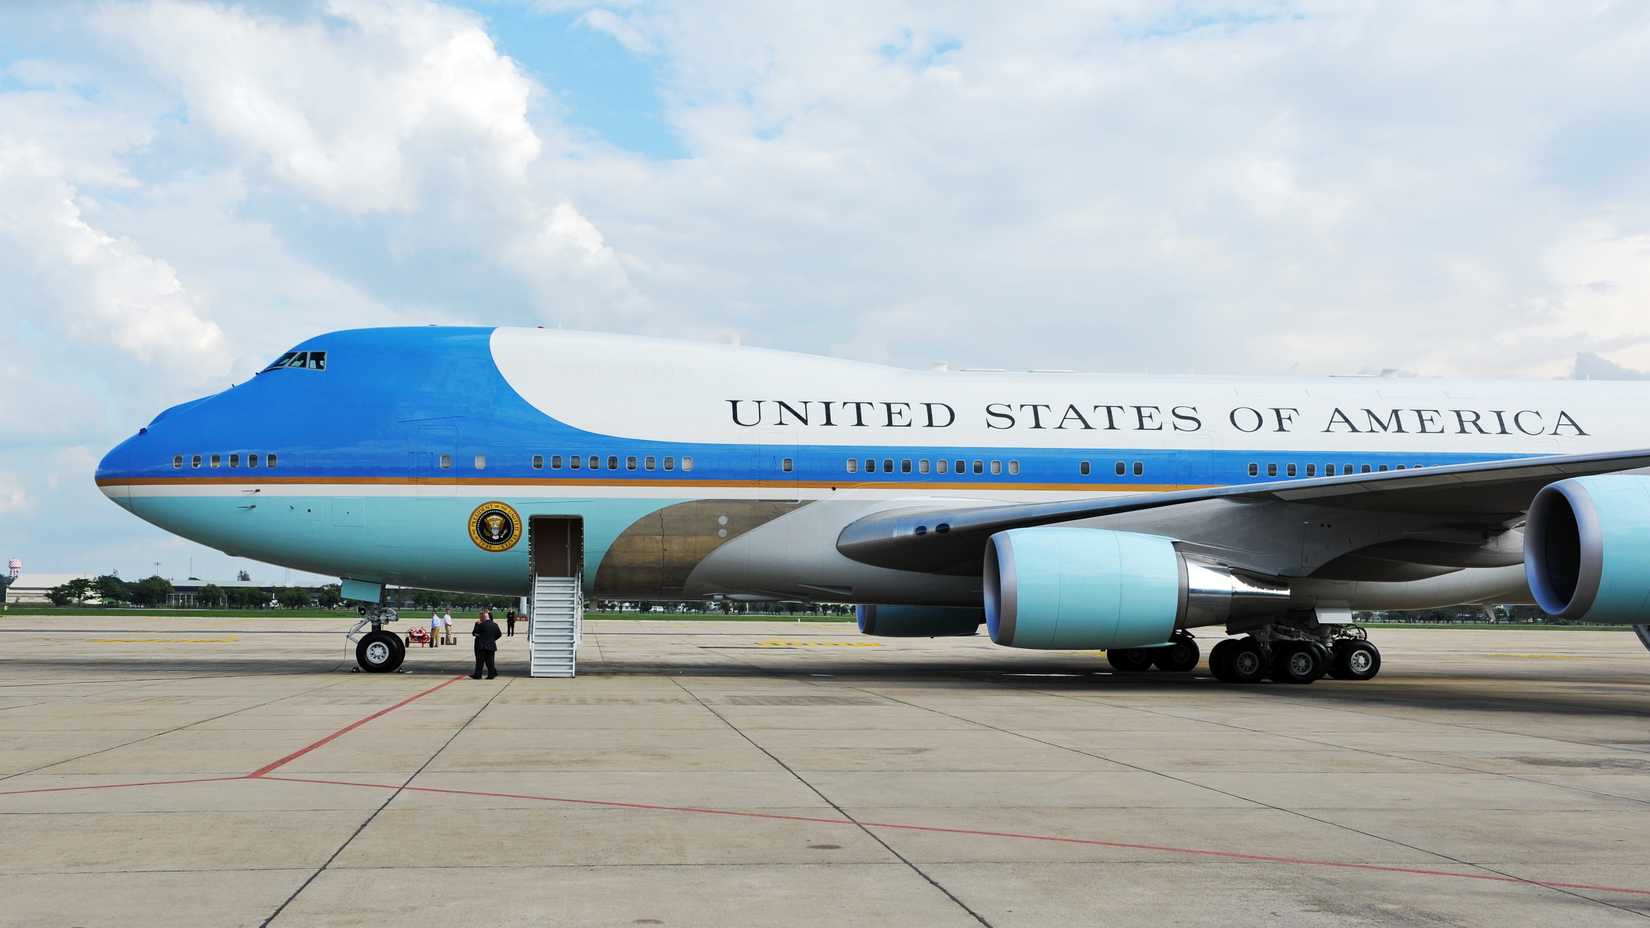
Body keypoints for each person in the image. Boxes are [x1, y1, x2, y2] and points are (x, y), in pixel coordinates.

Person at [470, 609, 501, 679]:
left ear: (484, 617)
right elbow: (499, 634)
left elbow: (474, 633)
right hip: (491, 645)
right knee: (490, 662)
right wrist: (493, 639)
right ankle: (491, 675)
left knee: (479, 662)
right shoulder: (495, 625)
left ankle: (478, 675)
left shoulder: (481, 625)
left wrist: (476, 625)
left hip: (482, 646)